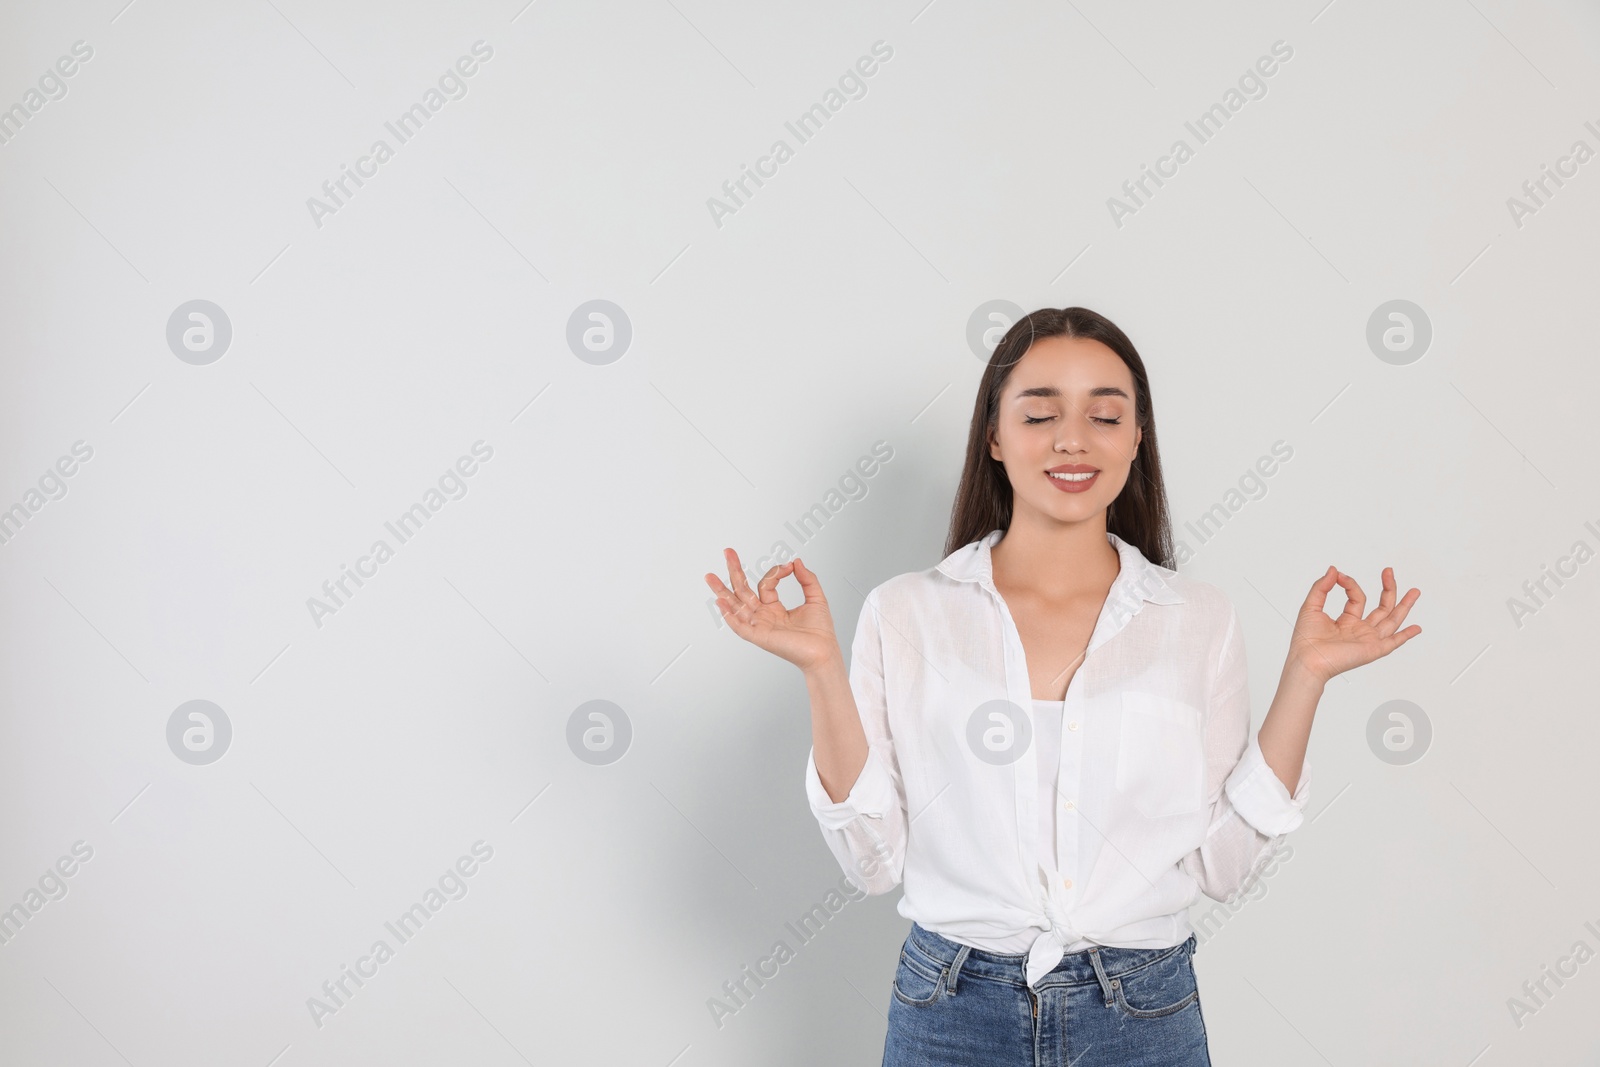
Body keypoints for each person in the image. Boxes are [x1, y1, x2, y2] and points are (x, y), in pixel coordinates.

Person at [704, 307, 1421, 1066]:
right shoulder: (907, 611)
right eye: (1040, 412)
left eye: (1105, 414)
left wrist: (1306, 675)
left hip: (1142, 1011)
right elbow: (873, 861)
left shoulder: (1197, 619)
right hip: (951, 1009)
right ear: (994, 435)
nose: (1072, 438)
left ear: (1137, 437)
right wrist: (820, 667)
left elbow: (1223, 866)